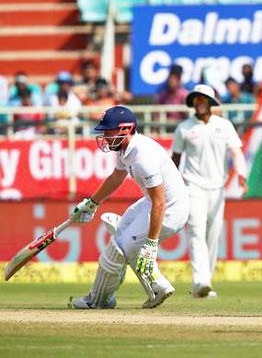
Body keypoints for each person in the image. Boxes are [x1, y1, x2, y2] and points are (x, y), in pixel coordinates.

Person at [70, 106, 189, 309]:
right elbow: (116, 177)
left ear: (125, 129)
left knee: (117, 250)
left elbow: (160, 201)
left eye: (108, 131)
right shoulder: (125, 149)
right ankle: (158, 285)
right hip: (154, 202)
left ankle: (98, 300)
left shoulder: (143, 157)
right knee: (120, 232)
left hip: (170, 210)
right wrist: (92, 203)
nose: (105, 137)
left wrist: (151, 244)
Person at [171, 84, 247, 299]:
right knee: (196, 232)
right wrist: (171, 184)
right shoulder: (184, 128)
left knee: (213, 236)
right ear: (193, 102)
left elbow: (236, 152)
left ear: (211, 103)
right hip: (192, 186)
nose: (200, 102)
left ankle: (206, 283)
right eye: (197, 99)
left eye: (204, 99)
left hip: (217, 188)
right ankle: (200, 281)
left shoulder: (224, 126)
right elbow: (175, 159)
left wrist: (242, 173)